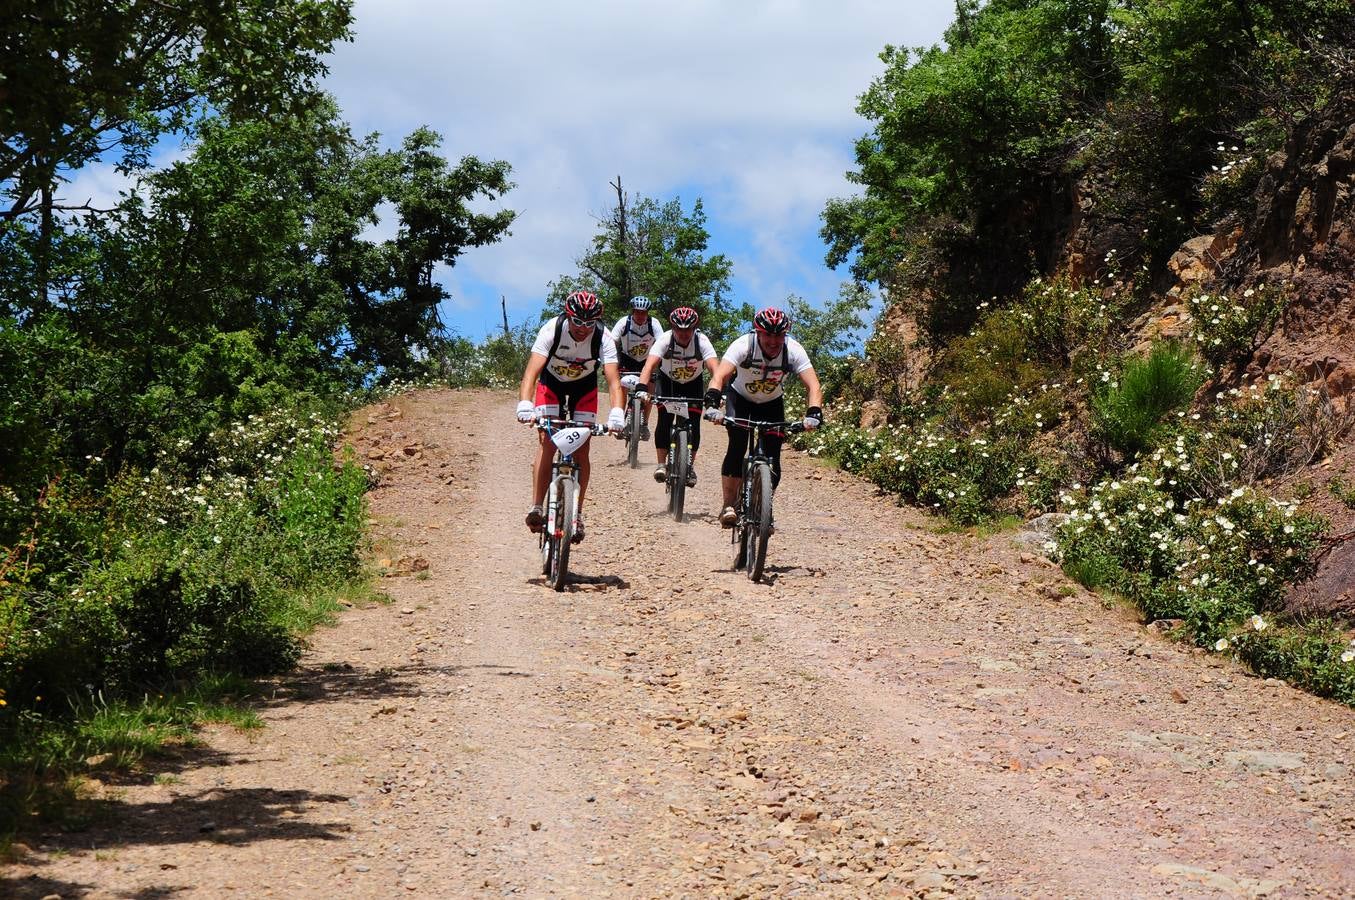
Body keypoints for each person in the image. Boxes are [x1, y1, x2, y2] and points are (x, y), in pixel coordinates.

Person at [517, 291, 626, 543]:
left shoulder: (604, 337)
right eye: (577, 321)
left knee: (582, 449)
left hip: (583, 388)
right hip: (551, 385)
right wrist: (525, 403)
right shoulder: (551, 330)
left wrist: (617, 412)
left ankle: (576, 513)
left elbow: (613, 381)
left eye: (589, 323)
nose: (583, 328)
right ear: (568, 316)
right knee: (547, 441)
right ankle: (537, 506)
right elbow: (531, 372)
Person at [702, 307, 823, 528]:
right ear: (758, 332)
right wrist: (712, 404)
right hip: (740, 400)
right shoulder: (743, 345)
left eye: (779, 335)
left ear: (785, 334)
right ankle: (728, 506)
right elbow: (719, 376)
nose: (774, 341)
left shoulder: (793, 350)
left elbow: (813, 385)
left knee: (773, 458)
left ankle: (763, 505)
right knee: (737, 446)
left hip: (772, 404)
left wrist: (814, 412)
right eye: (768, 335)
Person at [634, 306, 718, 487]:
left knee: (694, 426)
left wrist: (716, 393)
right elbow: (649, 366)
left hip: (693, 385)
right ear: (673, 328)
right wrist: (641, 388)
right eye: (679, 329)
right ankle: (661, 465)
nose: (683, 333)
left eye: (688, 329)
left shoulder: (702, 341)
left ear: (694, 328)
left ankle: (689, 466)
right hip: (668, 383)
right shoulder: (665, 339)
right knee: (664, 421)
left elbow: (715, 369)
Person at [610, 296, 663, 440]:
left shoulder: (654, 324)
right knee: (622, 386)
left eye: (643, 312)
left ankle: (644, 423)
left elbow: (662, 344)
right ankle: (620, 420)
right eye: (637, 312)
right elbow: (612, 341)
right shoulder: (624, 322)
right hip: (627, 359)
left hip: (647, 360)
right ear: (632, 311)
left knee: (650, 386)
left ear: (647, 313)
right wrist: (611, 363)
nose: (640, 315)